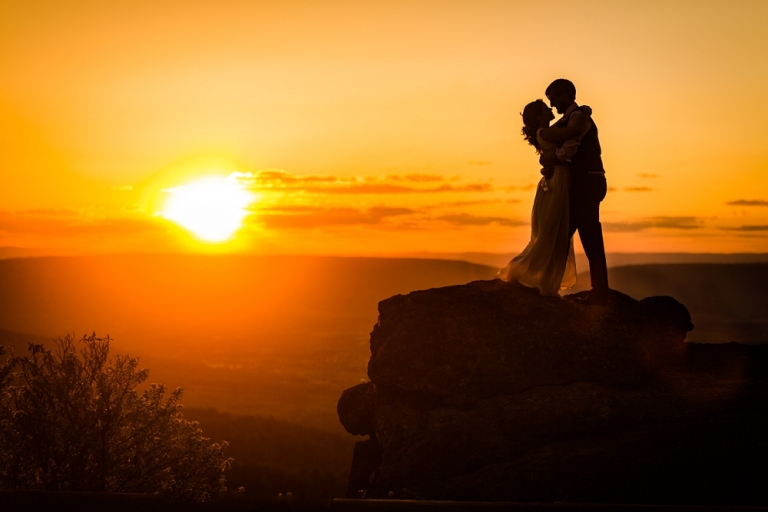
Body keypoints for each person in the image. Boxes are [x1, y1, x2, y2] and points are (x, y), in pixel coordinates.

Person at [497, 99, 592, 296]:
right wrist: (585, 112)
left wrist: (547, 160)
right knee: (553, 231)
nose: (550, 109)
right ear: (541, 116)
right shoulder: (546, 133)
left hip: (557, 179)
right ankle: (529, 272)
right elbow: (572, 132)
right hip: (557, 181)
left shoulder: (548, 130)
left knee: (555, 231)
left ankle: (548, 279)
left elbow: (564, 130)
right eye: (546, 108)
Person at [540, 79, 609, 306]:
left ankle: (595, 290)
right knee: (573, 234)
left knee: (583, 235)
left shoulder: (578, 118)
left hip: (587, 184)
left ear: (565, 95)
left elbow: (569, 151)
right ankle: (552, 286)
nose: (552, 104)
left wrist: (549, 158)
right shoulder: (572, 118)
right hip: (584, 184)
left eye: (554, 98)